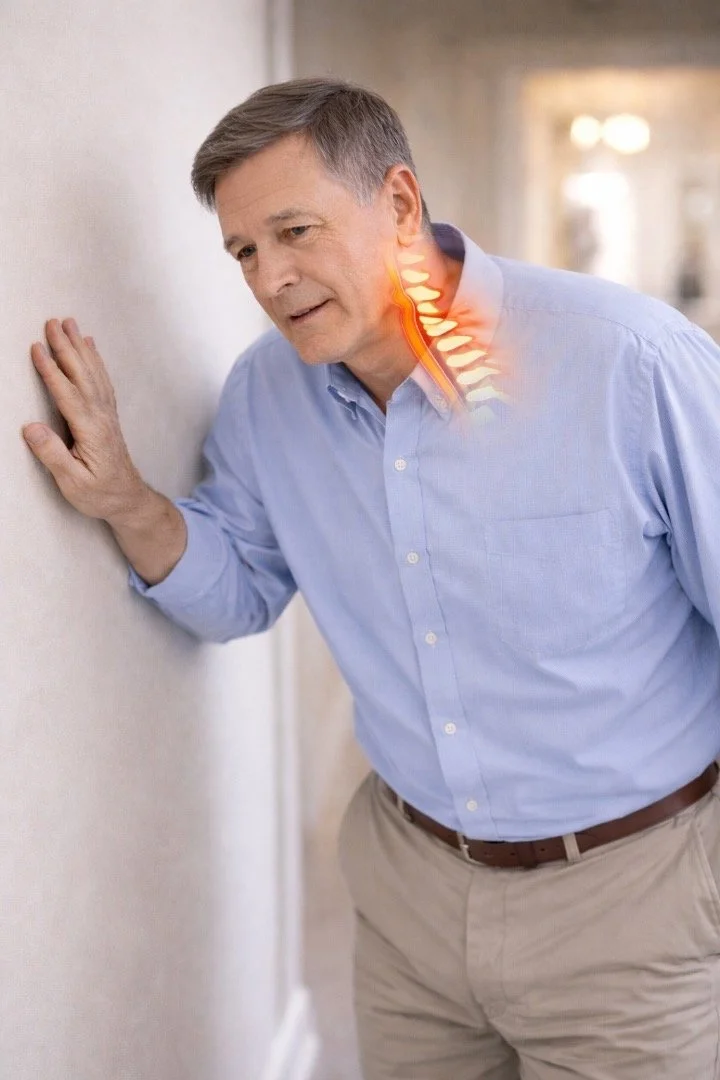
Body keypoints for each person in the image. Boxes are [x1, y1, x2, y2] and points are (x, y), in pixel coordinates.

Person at [21, 76, 720, 1079]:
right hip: (411, 899)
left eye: (296, 232)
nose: (269, 277)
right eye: (245, 252)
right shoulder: (268, 396)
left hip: (637, 900)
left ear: (398, 204)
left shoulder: (630, 363)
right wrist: (129, 500)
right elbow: (239, 592)